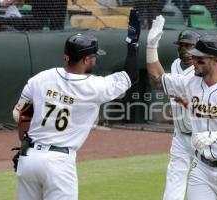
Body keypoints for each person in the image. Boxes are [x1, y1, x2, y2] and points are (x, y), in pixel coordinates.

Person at [11, 9, 140, 200]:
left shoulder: (41, 78)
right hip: (59, 163)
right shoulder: (94, 86)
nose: (96, 59)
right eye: (94, 56)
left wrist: (24, 143)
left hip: (29, 158)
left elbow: (20, 114)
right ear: (86, 59)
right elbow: (131, 76)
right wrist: (133, 43)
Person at [146, 15, 217, 200]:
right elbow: (158, 80)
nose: (194, 60)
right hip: (202, 169)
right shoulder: (191, 82)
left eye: (199, 58)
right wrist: (151, 46)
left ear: (215, 60)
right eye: (194, 56)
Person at [162, 30, 201, 200]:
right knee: (174, 179)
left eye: (188, 45)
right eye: (181, 45)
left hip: (201, 137)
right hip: (180, 136)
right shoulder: (175, 64)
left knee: (203, 184)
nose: (184, 49)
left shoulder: (200, 71)